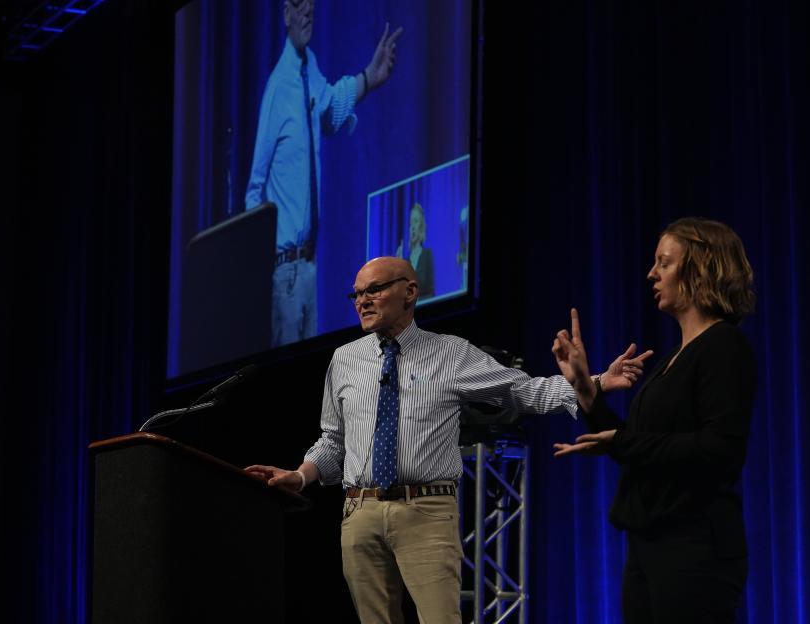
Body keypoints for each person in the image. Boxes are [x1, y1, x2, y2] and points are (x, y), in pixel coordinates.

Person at [246, 257, 591, 623]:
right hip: (360, 513)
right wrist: (301, 476)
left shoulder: (450, 353)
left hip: (426, 512)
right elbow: (333, 440)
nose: (362, 301)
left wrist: (591, 384)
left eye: (374, 290)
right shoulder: (344, 359)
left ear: (410, 291)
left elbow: (522, 392)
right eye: (357, 294)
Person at [552, 217, 757, 624]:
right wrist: (585, 388)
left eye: (664, 262)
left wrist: (621, 442)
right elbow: (639, 443)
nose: (651, 273)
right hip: (651, 543)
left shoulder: (724, 347)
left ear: (699, 268)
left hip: (695, 546)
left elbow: (720, 450)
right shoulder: (675, 358)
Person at [245, 0, 403, 346]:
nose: (308, 12)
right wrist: (259, 267)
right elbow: (255, 186)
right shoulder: (279, 87)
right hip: (283, 270)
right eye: (301, 3)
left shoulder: (307, 67)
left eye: (313, 2)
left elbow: (329, 108)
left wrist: (368, 76)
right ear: (286, 13)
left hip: (308, 266)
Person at [395, 203, 435, 297]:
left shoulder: (427, 254)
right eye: (410, 222)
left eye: (416, 221)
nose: (412, 226)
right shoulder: (406, 262)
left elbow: (430, 291)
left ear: (421, 226)